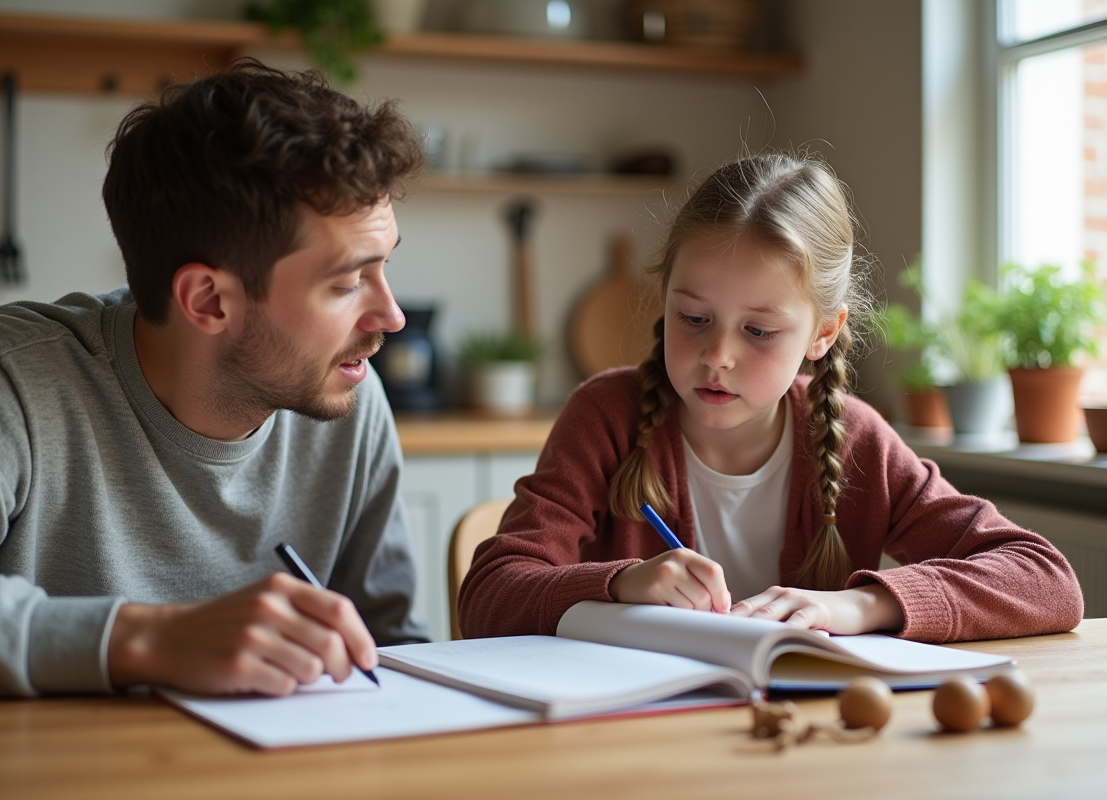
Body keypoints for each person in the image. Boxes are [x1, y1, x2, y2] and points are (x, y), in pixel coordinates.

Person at [0, 61, 430, 698]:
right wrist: (151, 640)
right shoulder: (2, 384)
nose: (392, 316)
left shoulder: (345, 390)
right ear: (208, 300)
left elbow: (393, 650)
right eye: (348, 282)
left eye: (384, 268)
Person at [459, 151, 1083, 643]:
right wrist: (621, 584)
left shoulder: (856, 438)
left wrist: (858, 605)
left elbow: (1047, 580)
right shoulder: (607, 418)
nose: (718, 356)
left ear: (822, 333)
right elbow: (486, 595)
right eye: (693, 318)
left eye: (758, 331)